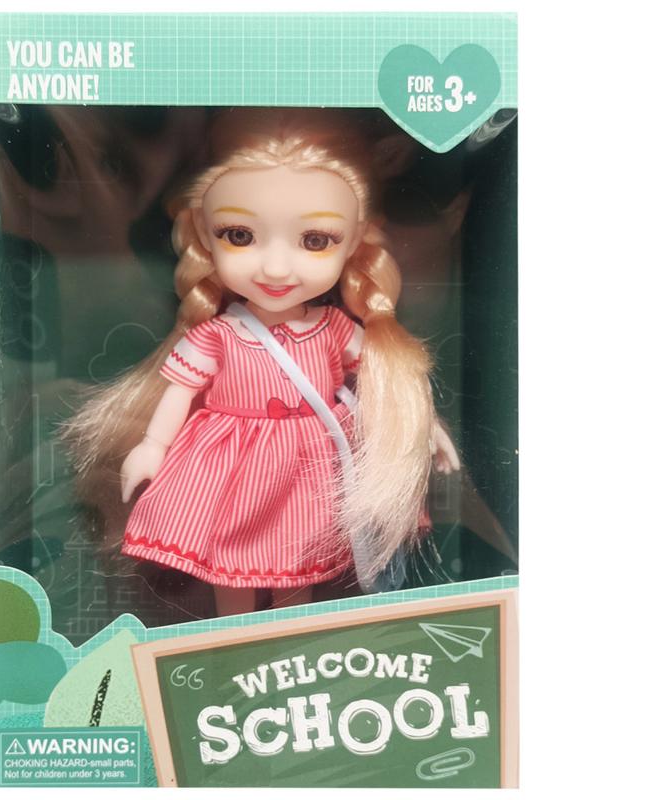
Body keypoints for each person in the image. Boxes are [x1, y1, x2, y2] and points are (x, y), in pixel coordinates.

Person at [65, 109, 458, 617]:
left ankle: (287, 637)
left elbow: (386, 381)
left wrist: (421, 426)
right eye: (239, 235)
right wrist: (152, 446)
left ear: (356, 240)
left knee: (298, 570)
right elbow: (180, 393)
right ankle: (235, 635)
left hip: (311, 467)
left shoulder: (333, 329)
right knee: (232, 567)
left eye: (315, 240)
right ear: (202, 232)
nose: (274, 267)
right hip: (232, 467)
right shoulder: (219, 335)